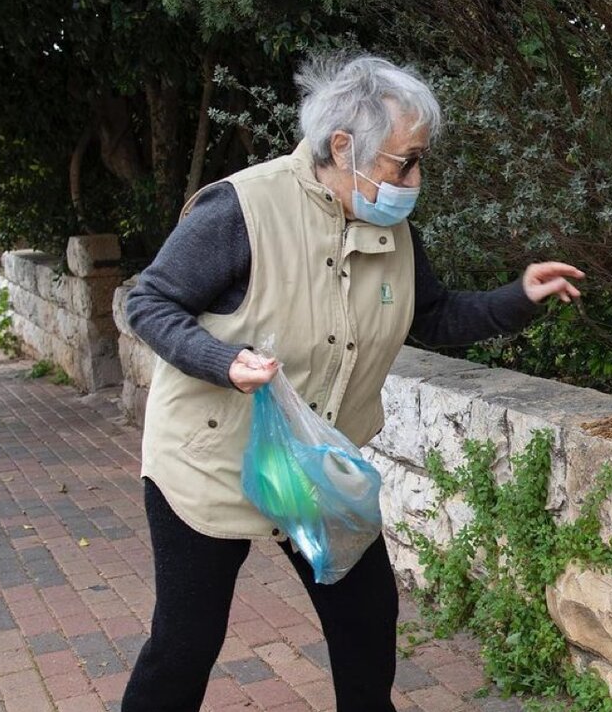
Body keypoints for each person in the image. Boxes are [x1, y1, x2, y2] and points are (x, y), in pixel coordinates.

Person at [121, 53, 583, 712]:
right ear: (344, 147)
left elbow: (433, 314)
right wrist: (222, 361)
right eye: (405, 161)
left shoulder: (392, 228)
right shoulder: (241, 209)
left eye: (419, 159)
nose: (415, 177)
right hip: (209, 462)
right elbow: (150, 302)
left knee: (365, 623)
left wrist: (518, 297)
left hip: (313, 464)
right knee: (185, 642)